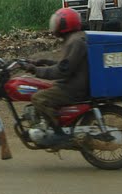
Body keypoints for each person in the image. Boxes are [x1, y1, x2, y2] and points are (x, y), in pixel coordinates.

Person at [21, 8, 89, 148]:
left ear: (65, 25)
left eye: (57, 23)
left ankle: (58, 134)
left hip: (74, 87)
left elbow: (62, 71)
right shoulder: (73, 39)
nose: (54, 27)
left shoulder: (75, 42)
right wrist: (43, 61)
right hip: (73, 82)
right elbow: (66, 65)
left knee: (38, 98)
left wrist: (37, 71)